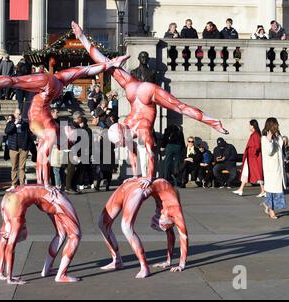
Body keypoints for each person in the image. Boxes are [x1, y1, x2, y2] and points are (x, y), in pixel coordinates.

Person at [73, 21, 228, 189]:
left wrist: (148, 176)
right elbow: (135, 152)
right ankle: (214, 122)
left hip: (147, 93)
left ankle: (214, 122)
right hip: (135, 90)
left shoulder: (142, 129)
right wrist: (135, 176)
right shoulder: (127, 127)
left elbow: (150, 154)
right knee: (108, 65)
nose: (122, 145)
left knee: (179, 107)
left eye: (121, 143)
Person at [0, 53, 128, 189]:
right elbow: (12, 81)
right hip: (36, 116)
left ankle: (45, 182)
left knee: (54, 137)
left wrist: (111, 63)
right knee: (48, 141)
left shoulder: (61, 78)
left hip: (45, 115)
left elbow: (85, 70)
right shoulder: (47, 80)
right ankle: (44, 183)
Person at [98, 178, 188, 277]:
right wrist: (181, 264)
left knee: (112, 224)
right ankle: (121, 261)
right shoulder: (174, 211)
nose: (156, 222)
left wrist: (169, 261)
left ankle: (140, 266)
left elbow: (171, 234)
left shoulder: (168, 209)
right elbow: (183, 237)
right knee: (119, 226)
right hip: (138, 187)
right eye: (161, 225)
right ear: (169, 218)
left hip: (134, 186)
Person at [0, 186, 82, 284]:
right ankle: (60, 275)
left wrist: (6, 276)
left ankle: (48, 270)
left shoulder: (8, 204)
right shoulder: (15, 209)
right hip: (49, 199)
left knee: (64, 234)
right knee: (75, 235)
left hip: (51, 198)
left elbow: (6, 243)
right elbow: (10, 246)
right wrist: (10, 279)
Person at [261, 118, 286, 220]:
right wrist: (269, 140)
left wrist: (281, 140)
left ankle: (267, 205)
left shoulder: (278, 136)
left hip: (278, 168)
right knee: (272, 191)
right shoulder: (264, 138)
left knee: (277, 191)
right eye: (276, 124)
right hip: (271, 169)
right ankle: (271, 211)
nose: (277, 126)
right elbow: (270, 152)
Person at [233, 120, 265, 197]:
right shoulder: (254, 134)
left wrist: (252, 154)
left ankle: (263, 190)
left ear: (252, 126)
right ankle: (241, 189)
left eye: (250, 125)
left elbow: (257, 147)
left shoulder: (255, 135)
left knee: (257, 174)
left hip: (253, 158)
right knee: (246, 172)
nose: (249, 127)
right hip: (251, 158)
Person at [5, 108, 31, 191]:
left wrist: (26, 146)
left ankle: (22, 185)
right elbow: (7, 131)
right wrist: (14, 123)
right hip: (13, 148)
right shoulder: (10, 123)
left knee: (22, 167)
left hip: (23, 148)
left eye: (19, 114)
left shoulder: (25, 124)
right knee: (14, 167)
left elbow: (28, 135)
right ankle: (14, 184)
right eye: (17, 114)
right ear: (14, 114)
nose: (18, 115)